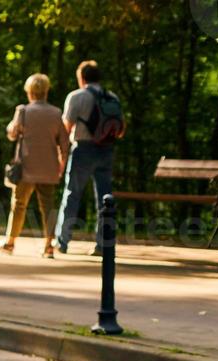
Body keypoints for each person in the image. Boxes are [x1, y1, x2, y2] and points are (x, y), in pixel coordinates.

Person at [55, 60, 125, 254]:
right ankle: (104, 244)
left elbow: (65, 130)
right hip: (107, 150)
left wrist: (61, 154)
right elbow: (121, 131)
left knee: (72, 195)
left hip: (83, 150)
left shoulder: (76, 96)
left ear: (81, 78)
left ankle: (62, 241)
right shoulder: (112, 97)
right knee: (105, 198)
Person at [0, 73, 69, 258]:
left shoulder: (23, 111)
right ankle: (48, 246)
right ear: (46, 91)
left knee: (19, 205)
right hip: (49, 168)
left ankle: (10, 242)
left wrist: (13, 128)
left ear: (30, 92)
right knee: (47, 207)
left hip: (26, 167)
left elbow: (12, 134)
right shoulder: (56, 113)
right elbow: (64, 142)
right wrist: (62, 164)